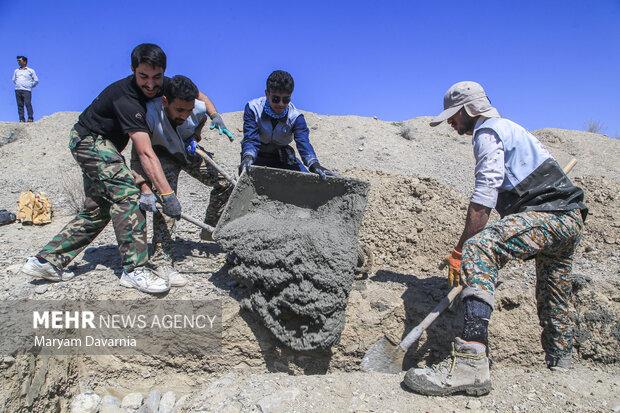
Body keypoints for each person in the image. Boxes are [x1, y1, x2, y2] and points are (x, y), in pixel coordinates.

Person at [403, 81, 587, 396]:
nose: (451, 122)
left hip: (551, 217)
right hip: (568, 220)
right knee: (553, 295)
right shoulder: (513, 129)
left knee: (480, 247)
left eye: (453, 115)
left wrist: (461, 250)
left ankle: (471, 366)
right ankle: (562, 370)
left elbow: (484, 194)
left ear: (469, 109)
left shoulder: (487, 132)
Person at [20, 44, 228, 294]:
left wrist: (215, 115)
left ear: (163, 73)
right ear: (133, 70)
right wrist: (166, 195)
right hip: (90, 141)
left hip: (103, 145)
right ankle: (135, 270)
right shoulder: (126, 99)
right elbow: (144, 152)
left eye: (157, 77)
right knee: (129, 194)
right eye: (143, 76)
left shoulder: (164, 85)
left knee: (99, 209)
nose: (150, 84)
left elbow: (199, 96)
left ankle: (46, 262)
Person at [132, 75, 234, 287]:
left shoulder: (195, 109)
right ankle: (162, 260)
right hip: (160, 155)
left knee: (226, 183)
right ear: (165, 101)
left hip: (185, 150)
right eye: (180, 111)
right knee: (169, 204)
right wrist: (144, 187)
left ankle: (211, 231)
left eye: (188, 111)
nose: (185, 115)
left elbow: (202, 114)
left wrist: (193, 137)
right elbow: (138, 155)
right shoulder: (150, 114)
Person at [239, 70, 334, 179]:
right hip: (256, 155)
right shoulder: (253, 108)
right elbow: (251, 139)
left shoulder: (296, 117)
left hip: (281, 155)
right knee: (247, 174)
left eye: (286, 99)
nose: (280, 104)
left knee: (305, 180)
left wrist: (314, 165)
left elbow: (303, 143)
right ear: (267, 94)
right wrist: (248, 157)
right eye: (275, 99)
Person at [13, 56, 38, 122]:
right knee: (20, 105)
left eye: (20, 61)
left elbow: (36, 80)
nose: (18, 62)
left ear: (25, 62)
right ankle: (21, 119)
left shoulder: (30, 70)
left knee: (28, 103)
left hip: (27, 90)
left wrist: (30, 86)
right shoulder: (16, 71)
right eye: (18, 61)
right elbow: (14, 79)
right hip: (18, 89)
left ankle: (30, 118)